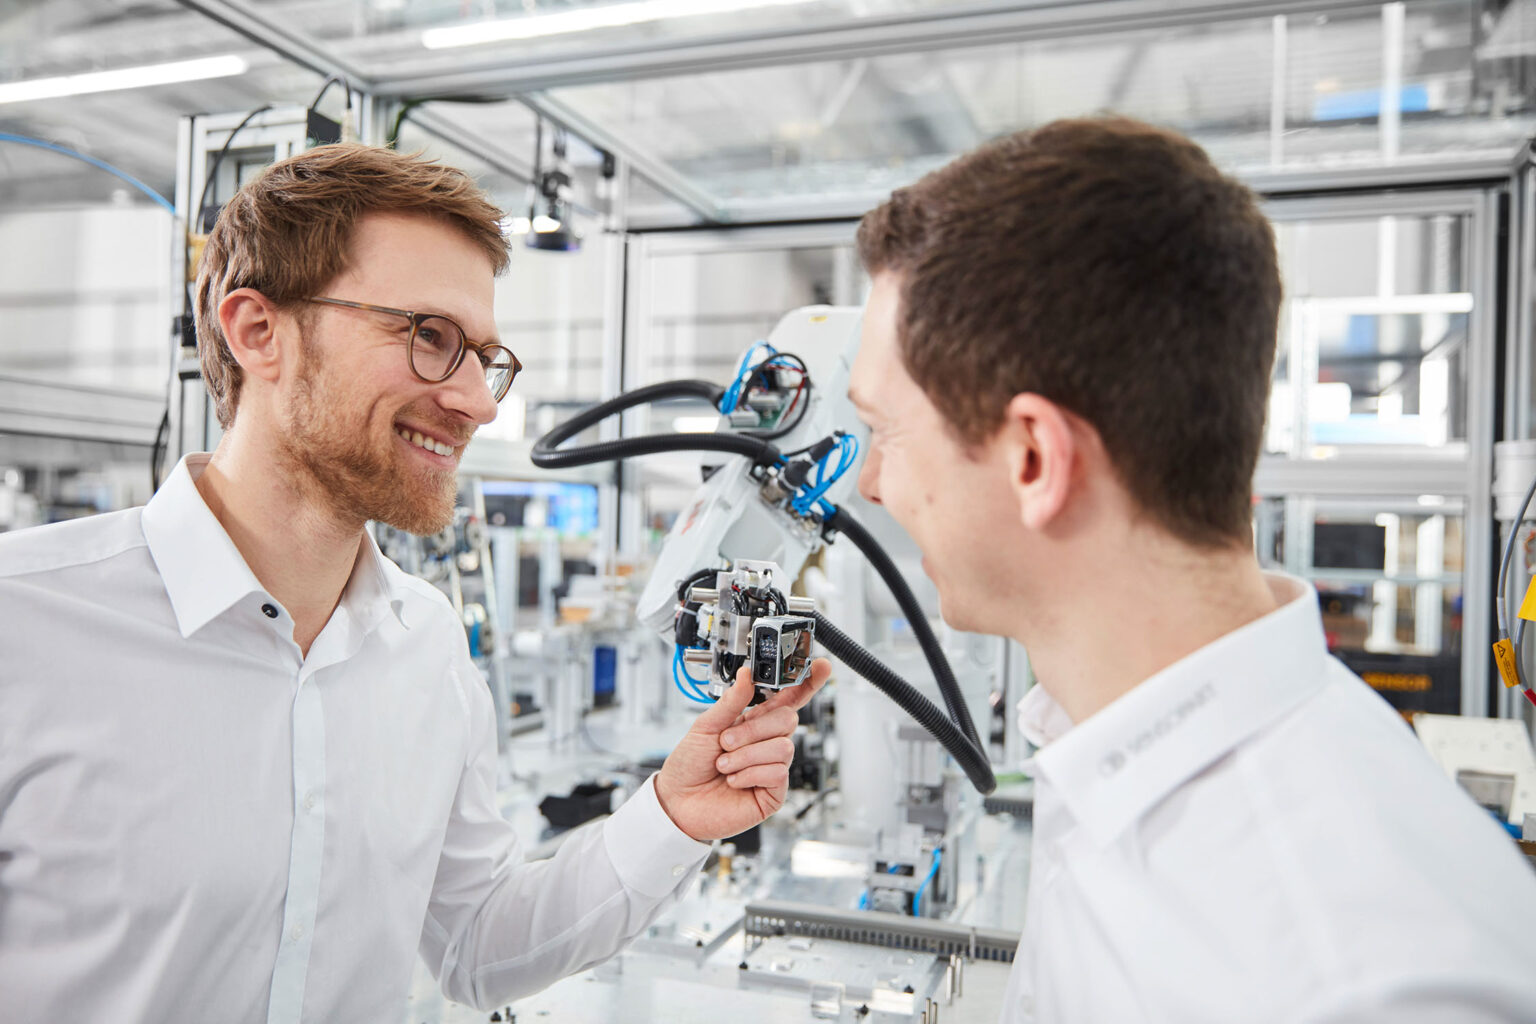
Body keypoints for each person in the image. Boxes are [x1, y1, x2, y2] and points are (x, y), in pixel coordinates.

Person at [0, 144, 826, 1023]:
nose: (477, 401)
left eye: (484, 356)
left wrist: (672, 814)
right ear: (257, 331)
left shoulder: (426, 644)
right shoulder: (29, 627)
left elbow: (474, 945)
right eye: (429, 336)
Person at [847, 116, 1536, 1023]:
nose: (867, 482)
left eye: (885, 431)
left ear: (1033, 460)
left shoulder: (1355, 982)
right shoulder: (1122, 760)